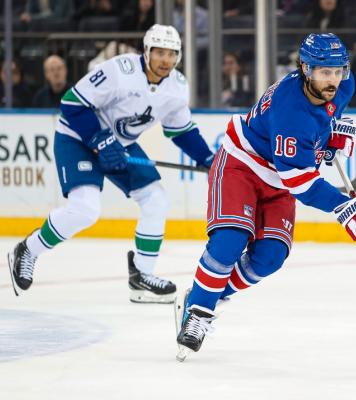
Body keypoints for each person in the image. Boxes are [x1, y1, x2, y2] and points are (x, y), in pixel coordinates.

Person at [174, 33, 356, 361]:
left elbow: (325, 117)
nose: (332, 79)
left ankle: (209, 292)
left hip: (278, 177)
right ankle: (198, 311)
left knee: (270, 257)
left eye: (337, 70)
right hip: (242, 166)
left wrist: (329, 136)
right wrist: (346, 207)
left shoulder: (345, 83)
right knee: (230, 241)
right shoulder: (290, 111)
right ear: (305, 69)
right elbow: (300, 183)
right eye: (323, 72)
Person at [6, 24, 214, 304]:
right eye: (160, 52)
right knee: (85, 209)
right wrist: (100, 141)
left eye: (172, 54)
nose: (165, 60)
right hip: (78, 139)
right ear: (146, 51)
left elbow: (181, 131)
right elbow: (71, 104)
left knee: (156, 200)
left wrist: (208, 159)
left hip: (120, 146)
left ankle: (141, 275)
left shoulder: (177, 87)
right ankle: (28, 250)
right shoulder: (119, 71)